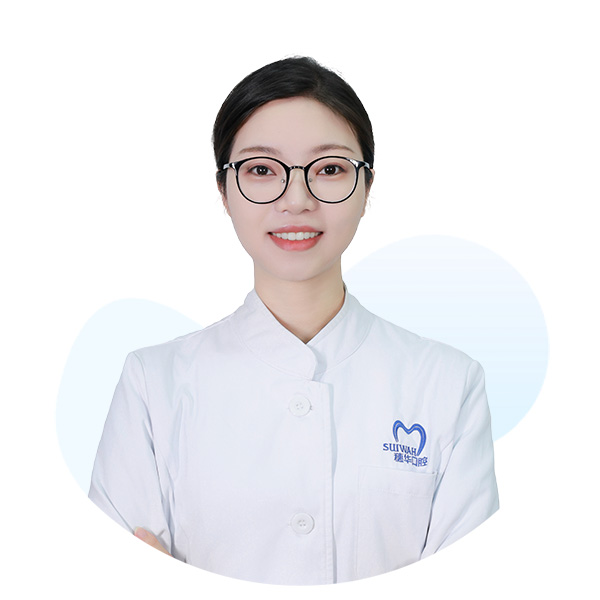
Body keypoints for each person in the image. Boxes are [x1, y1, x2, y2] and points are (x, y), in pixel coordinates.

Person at [89, 56, 499, 585]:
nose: (297, 200)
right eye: (262, 170)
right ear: (224, 191)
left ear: (367, 188)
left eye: (329, 169)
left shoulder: (448, 383)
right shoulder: (153, 385)